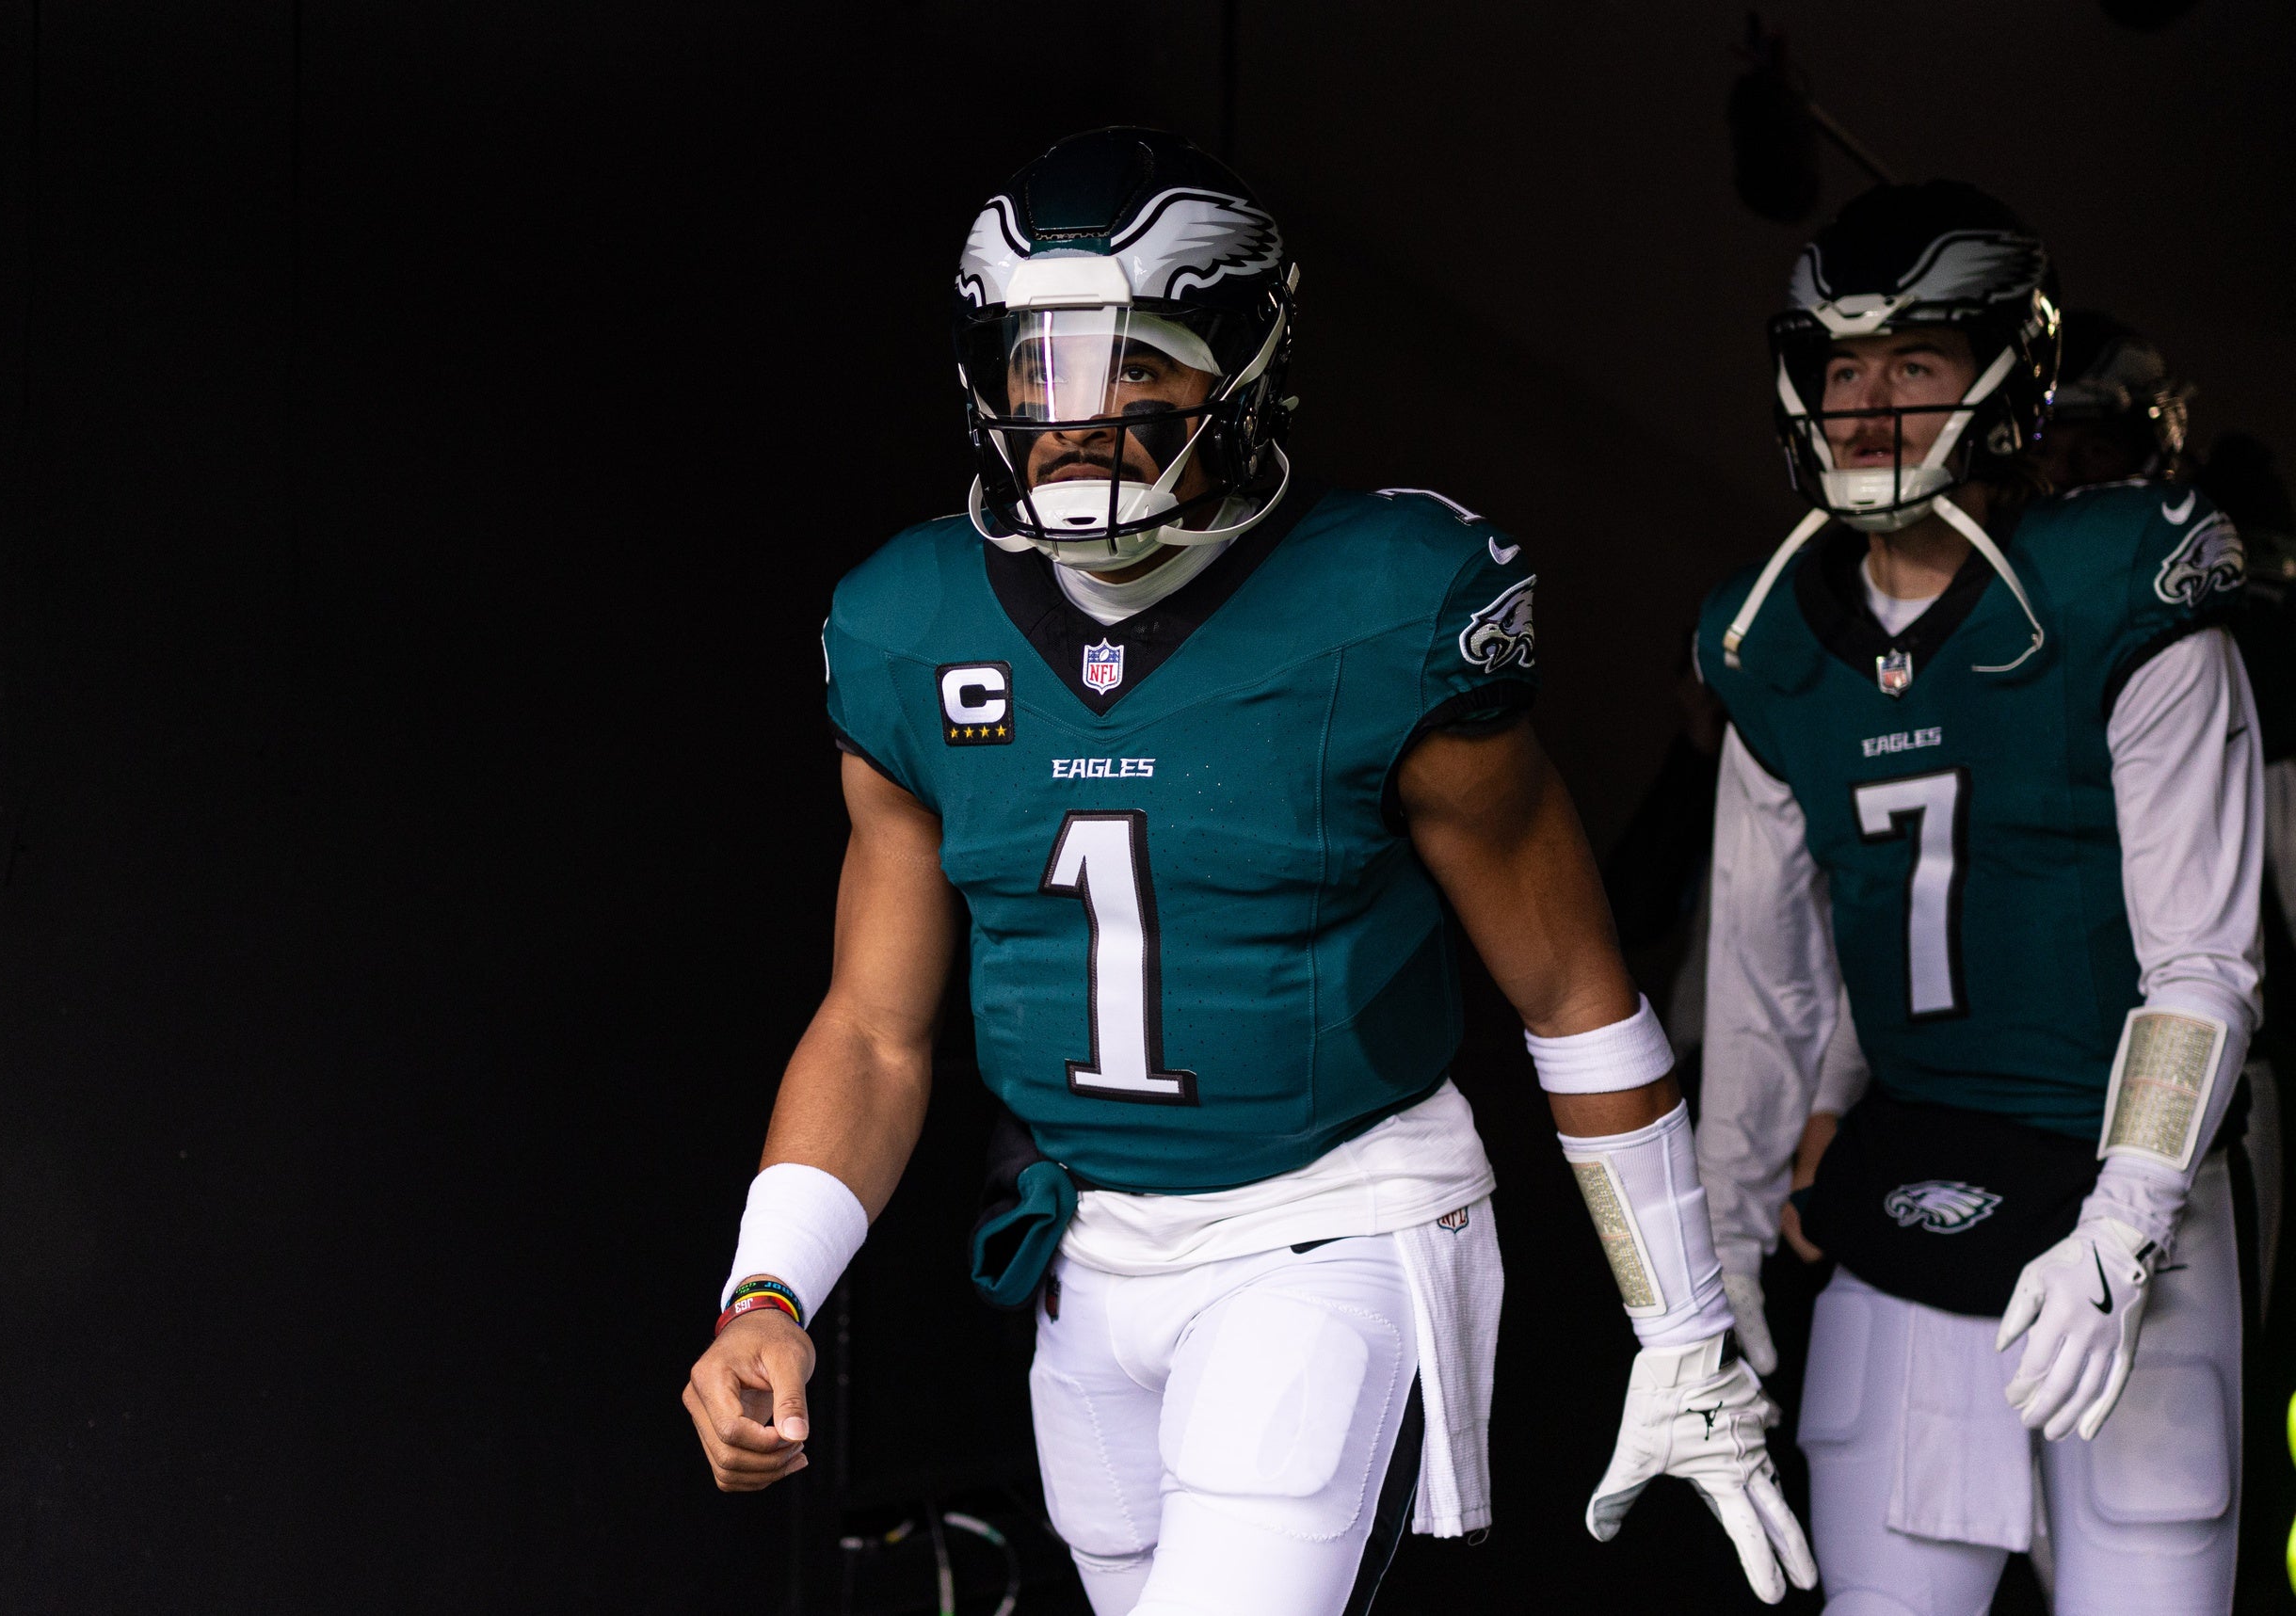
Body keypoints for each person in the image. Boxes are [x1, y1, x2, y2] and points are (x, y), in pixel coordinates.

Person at [681, 128, 1816, 1614]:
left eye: (1133, 364)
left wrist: (1683, 1318)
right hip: (1092, 1249)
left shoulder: (1381, 601)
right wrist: (768, 1293)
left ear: (1243, 362)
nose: (1078, 416)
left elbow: (1573, 989)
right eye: (1041, 366)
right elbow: (875, 1029)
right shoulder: (914, 624)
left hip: (1331, 1220)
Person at [1694, 182, 2259, 1614]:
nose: (1870, 399)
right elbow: (1769, 981)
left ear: (2008, 374)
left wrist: (2123, 1227)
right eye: (1843, 364)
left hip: (2131, 1204)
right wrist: (1726, 1229)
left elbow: (2202, 964)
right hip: (1909, 1185)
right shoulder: (1776, 638)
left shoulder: (2115, 590)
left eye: (1918, 360)